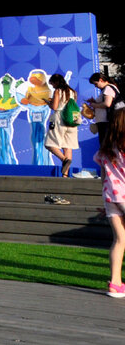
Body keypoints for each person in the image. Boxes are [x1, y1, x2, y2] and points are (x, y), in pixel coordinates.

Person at [93, 99, 125, 298]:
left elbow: (104, 175)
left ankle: (115, 283)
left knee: (119, 240)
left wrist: (105, 200)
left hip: (111, 196)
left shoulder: (107, 147)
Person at [44, 74, 80, 178]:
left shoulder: (58, 91)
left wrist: (48, 102)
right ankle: (65, 174)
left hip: (59, 119)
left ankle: (64, 159)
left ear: (56, 82)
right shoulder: (73, 92)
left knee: (49, 144)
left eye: (52, 84)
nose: (53, 86)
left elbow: (55, 107)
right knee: (68, 147)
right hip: (72, 119)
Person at [88, 73, 119, 155]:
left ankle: (108, 165)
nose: (95, 86)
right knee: (106, 146)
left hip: (106, 122)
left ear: (101, 80)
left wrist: (94, 105)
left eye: (96, 84)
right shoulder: (107, 89)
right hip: (105, 121)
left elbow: (107, 104)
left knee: (106, 146)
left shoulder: (108, 88)